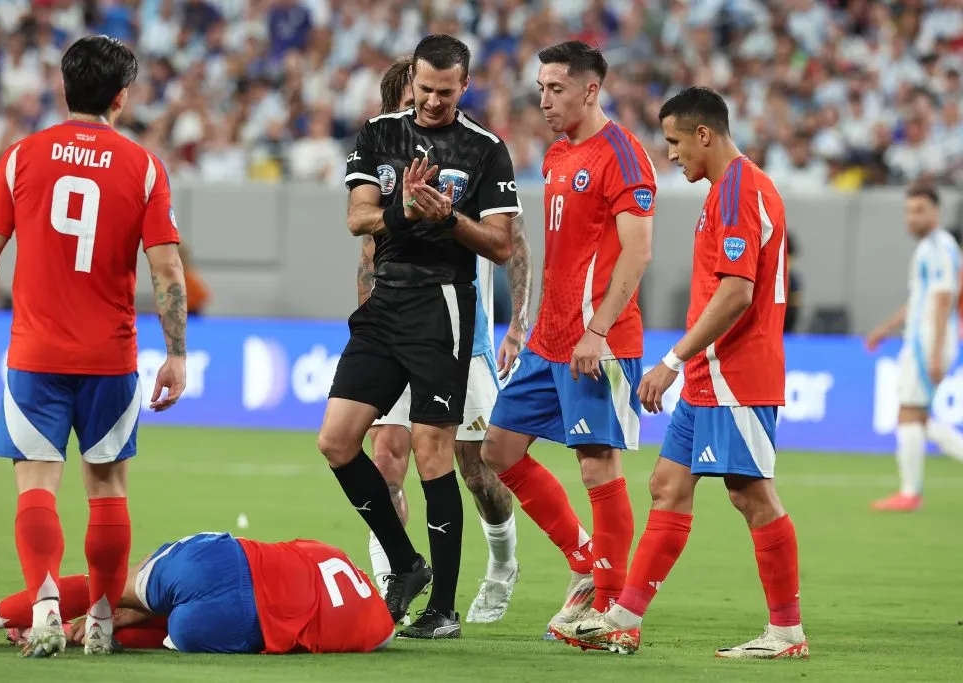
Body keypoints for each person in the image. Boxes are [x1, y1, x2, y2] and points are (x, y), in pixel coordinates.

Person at [0, 36, 188, 658]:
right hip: (110, 357)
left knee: (35, 487)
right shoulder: (143, 165)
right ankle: (105, 619)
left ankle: (48, 603)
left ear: (64, 88)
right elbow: (167, 271)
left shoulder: (19, 156)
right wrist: (177, 353)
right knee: (108, 488)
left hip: (35, 355)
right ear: (122, 96)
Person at [562, 86, 808, 659]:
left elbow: (737, 293)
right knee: (667, 486)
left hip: (736, 374)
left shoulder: (739, 192)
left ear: (704, 134)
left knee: (753, 496)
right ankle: (622, 619)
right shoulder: (729, 190)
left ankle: (786, 631)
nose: (669, 154)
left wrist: (671, 361)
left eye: (674, 141)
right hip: (710, 373)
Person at [323, 34, 520, 639]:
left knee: (438, 454)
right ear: (413, 81)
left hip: (443, 304)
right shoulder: (379, 134)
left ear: (465, 86)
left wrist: (448, 217)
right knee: (337, 441)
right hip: (385, 302)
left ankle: (443, 610)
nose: (433, 101)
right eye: (425, 89)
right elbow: (358, 217)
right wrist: (407, 210)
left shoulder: (486, 150)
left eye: (445, 91)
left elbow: (504, 245)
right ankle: (406, 564)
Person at [479, 40, 655, 640]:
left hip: (597, 342)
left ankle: (612, 611)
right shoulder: (556, 155)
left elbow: (638, 251)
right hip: (548, 343)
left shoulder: (624, 157)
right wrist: (527, 325)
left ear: (590, 89)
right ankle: (585, 564)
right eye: (541, 88)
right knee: (498, 452)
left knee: (596, 464)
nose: (544, 99)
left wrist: (598, 331)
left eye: (556, 88)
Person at [0, 532, 395, 655]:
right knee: (173, 628)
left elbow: (289, 550)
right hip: (243, 628)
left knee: (109, 585)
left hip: (219, 564)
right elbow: (383, 638)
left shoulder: (327, 551)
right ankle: (110, 628)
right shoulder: (377, 628)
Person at [866, 185, 963, 511]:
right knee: (916, 418)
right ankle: (910, 491)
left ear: (936, 211)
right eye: (908, 211)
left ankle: (910, 493)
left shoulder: (939, 247)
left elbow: (942, 299)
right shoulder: (930, 248)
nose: (912, 217)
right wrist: (886, 328)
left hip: (927, 343)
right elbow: (920, 301)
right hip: (922, 339)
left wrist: (934, 353)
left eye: (919, 210)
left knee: (909, 413)